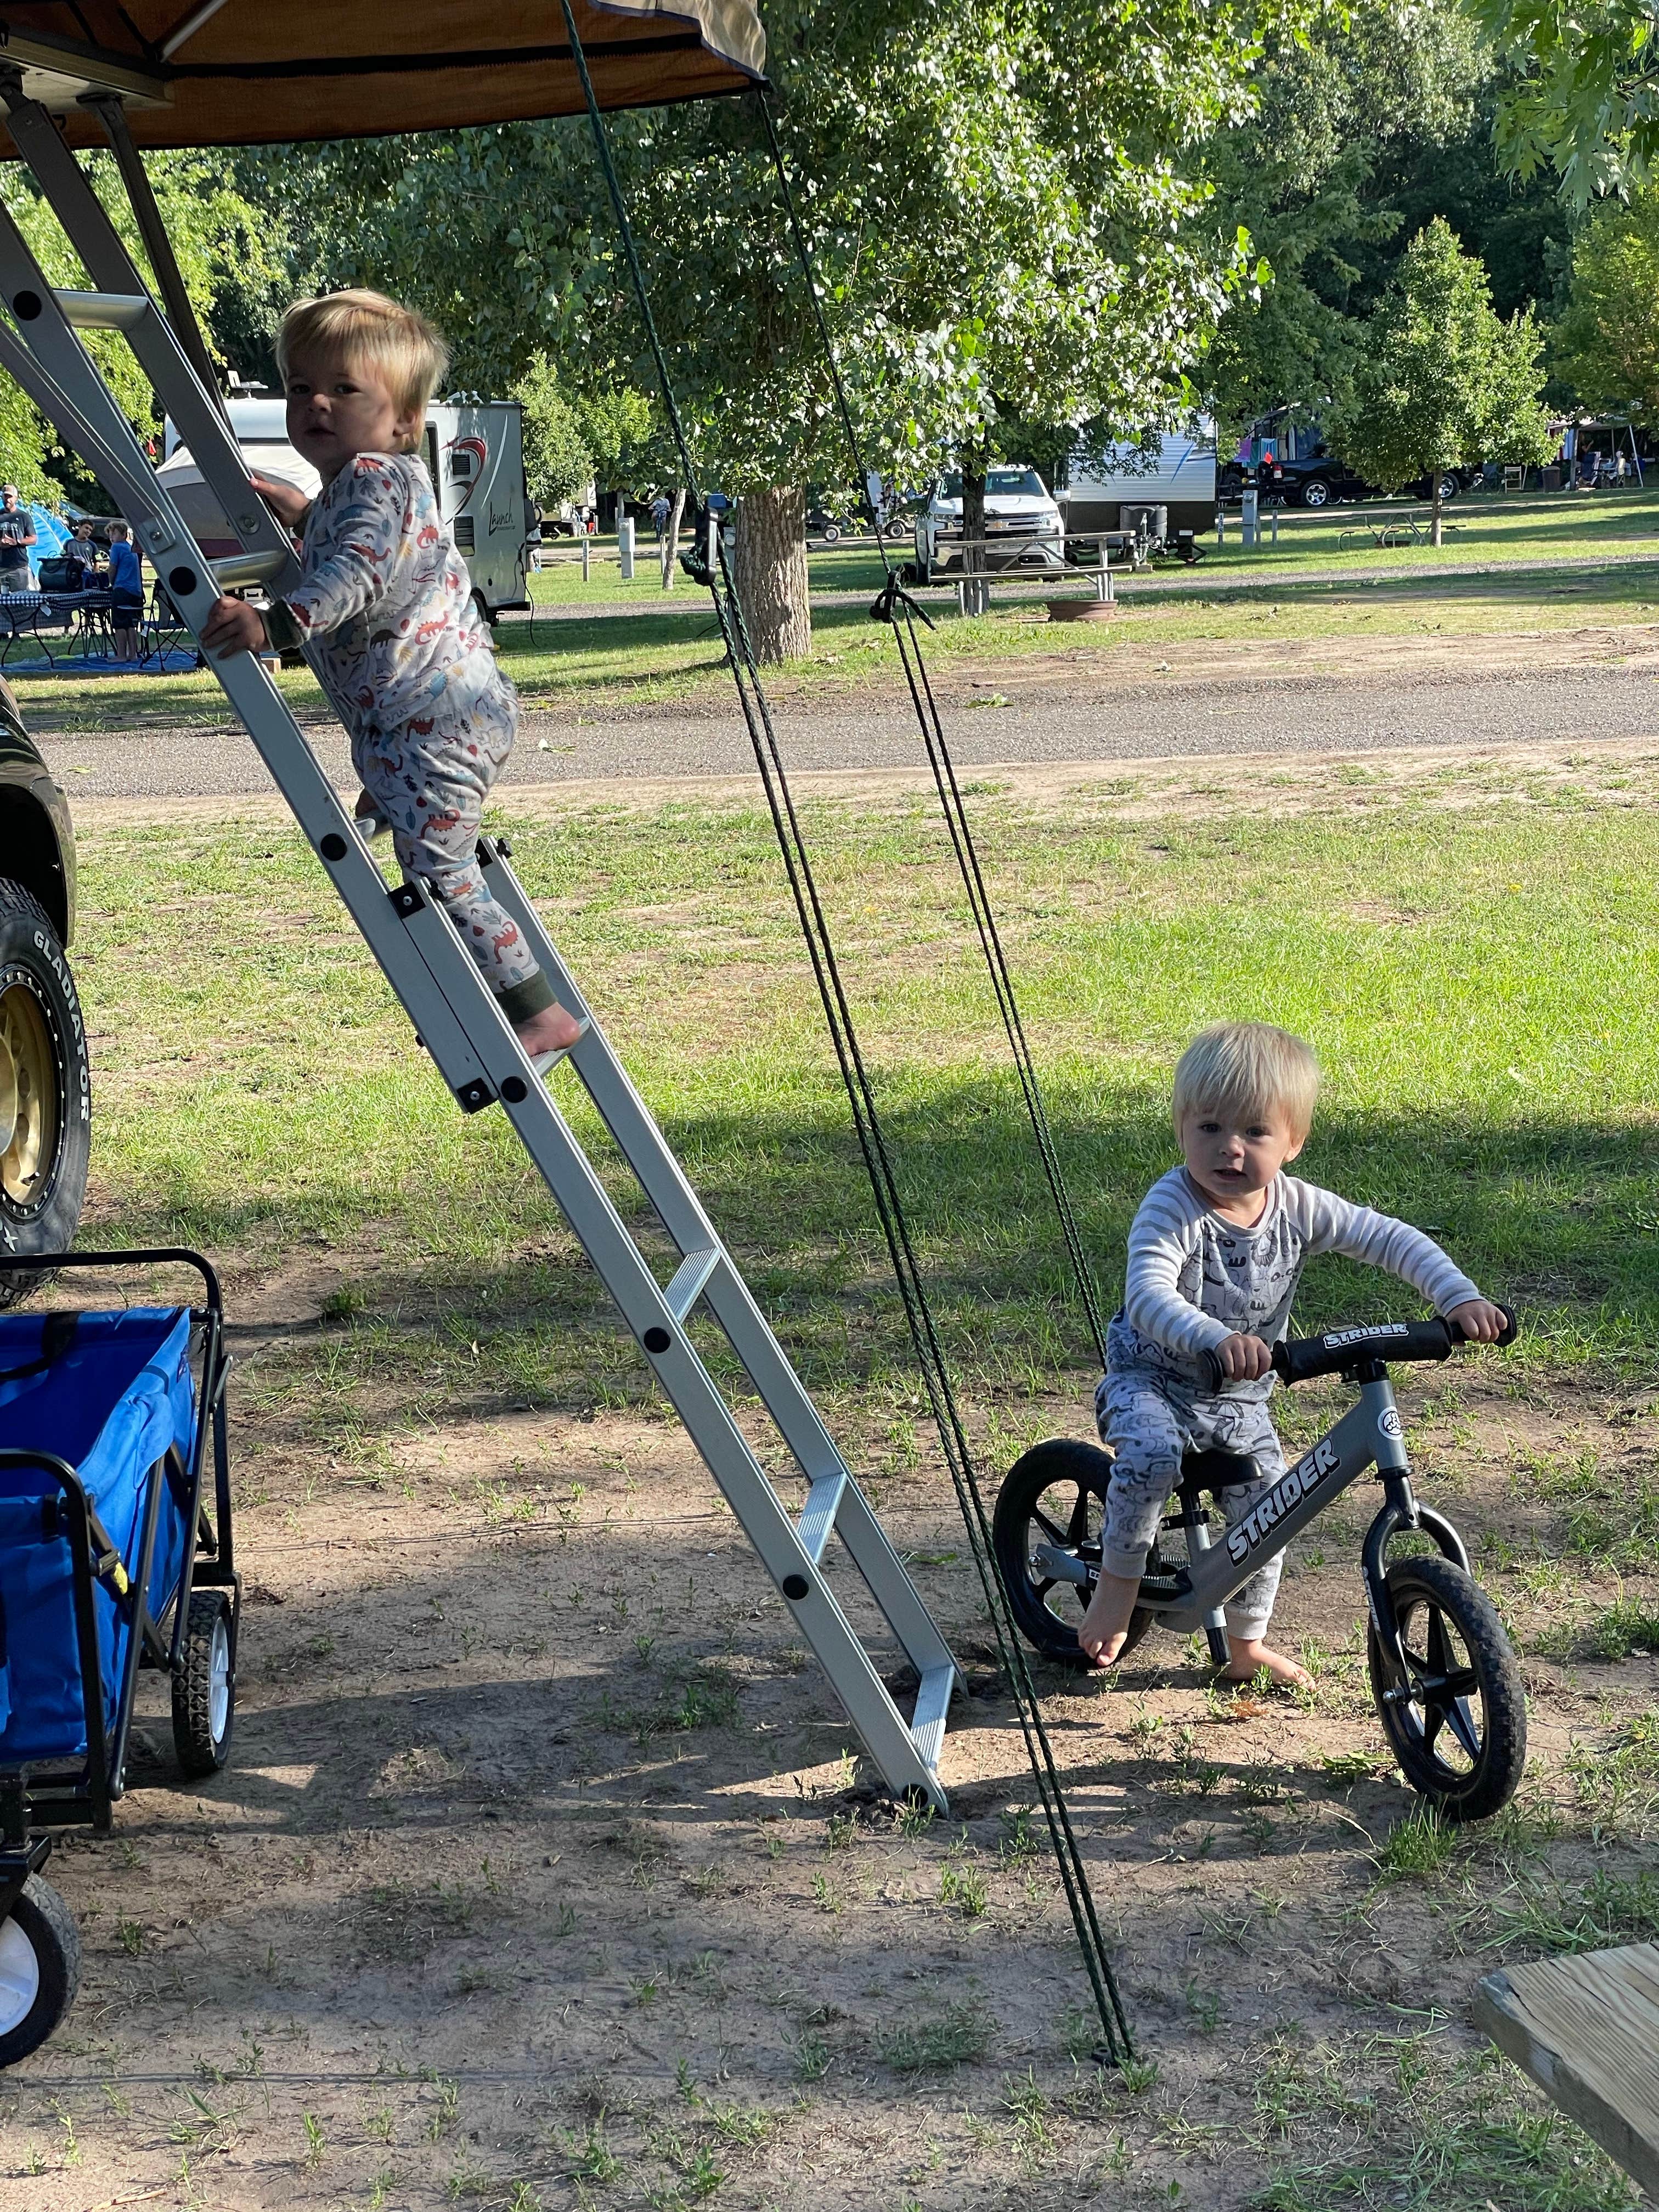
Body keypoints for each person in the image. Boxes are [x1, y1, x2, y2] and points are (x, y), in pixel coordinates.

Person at [199, 288, 582, 1063]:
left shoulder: (376, 480)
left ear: (405, 420)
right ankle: (394, 806)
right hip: (433, 714)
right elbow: (352, 534)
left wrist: (272, 625)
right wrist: (304, 510)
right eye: (300, 386)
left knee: (438, 868)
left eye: (344, 389)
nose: (316, 403)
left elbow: (361, 571)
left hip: (439, 722)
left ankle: (538, 1014)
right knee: (414, 820)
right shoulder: (367, 482)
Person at [1076, 1022, 1506, 1688]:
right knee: (1154, 1456)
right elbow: (1147, 1294)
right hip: (1152, 1379)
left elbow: (1388, 1238)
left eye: (1255, 1132)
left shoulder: (1298, 1207)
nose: (1230, 1149)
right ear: (1182, 1129)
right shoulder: (1173, 1205)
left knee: (1269, 1512)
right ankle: (1117, 1583)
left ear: (1294, 1142)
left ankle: (1246, 1645)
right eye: (1210, 1128)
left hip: (1239, 1396)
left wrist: (1457, 1298)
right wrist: (1215, 1338)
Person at [106, 522, 144, 661]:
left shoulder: (116, 548)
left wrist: (111, 583)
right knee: (130, 623)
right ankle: (133, 654)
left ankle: (121, 655)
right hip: (136, 590)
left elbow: (112, 568)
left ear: (124, 535)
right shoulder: (131, 548)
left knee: (119, 623)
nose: (112, 537)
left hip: (122, 588)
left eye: (115, 533)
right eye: (110, 534)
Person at [0, 486, 36, 593]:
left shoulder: (23, 517)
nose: (7, 499)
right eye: (5, 496)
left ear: (16, 498)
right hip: (1, 567)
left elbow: (34, 539)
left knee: (19, 600)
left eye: (10, 497)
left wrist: (16, 542)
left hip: (18, 567)